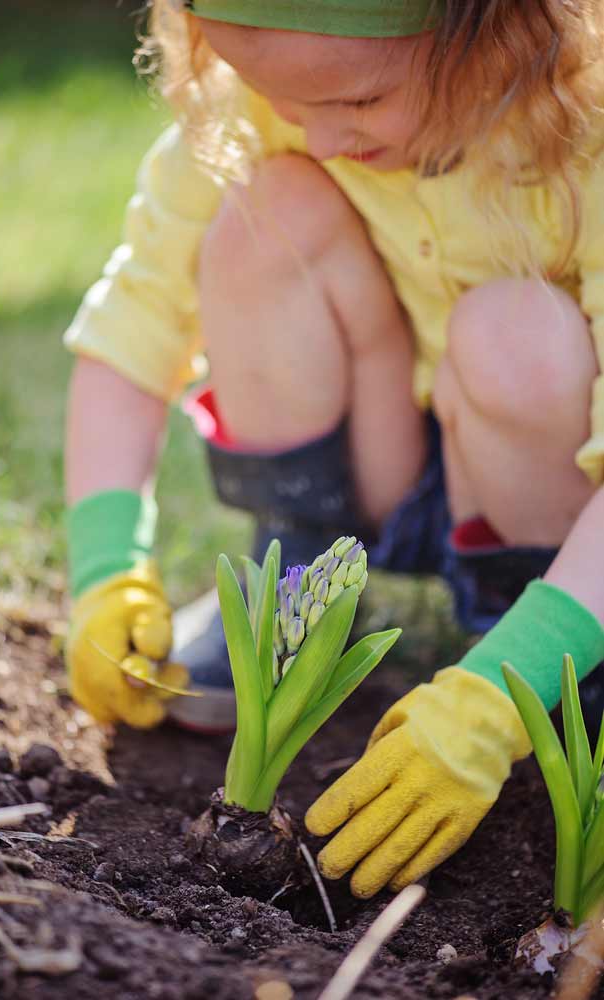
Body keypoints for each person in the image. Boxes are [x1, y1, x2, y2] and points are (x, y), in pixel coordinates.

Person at [63, 0, 604, 898]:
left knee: (512, 332)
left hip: (546, 480)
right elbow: (133, 329)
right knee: (263, 209)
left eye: (356, 104)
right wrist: (102, 568)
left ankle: (545, 662)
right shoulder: (274, 119)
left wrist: (488, 709)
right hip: (384, 444)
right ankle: (300, 581)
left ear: (492, 32)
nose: (316, 137)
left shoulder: (585, 138)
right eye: (281, 99)